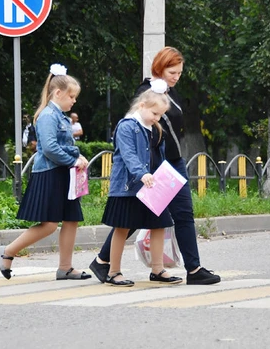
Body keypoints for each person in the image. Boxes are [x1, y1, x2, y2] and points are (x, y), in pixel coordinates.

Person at [89, 47, 221, 285]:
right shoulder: (146, 95)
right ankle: (105, 263)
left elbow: (164, 134)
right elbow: (134, 147)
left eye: (180, 72)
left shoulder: (171, 92)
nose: (176, 76)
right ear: (159, 68)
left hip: (170, 163)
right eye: (172, 71)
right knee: (129, 219)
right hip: (152, 168)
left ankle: (191, 268)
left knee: (175, 215)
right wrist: (144, 171)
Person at [0, 64, 91, 281]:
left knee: (71, 219)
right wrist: (72, 160)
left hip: (63, 173)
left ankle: (65, 268)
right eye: (71, 96)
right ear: (58, 93)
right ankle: (8, 251)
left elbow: (62, 145)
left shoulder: (60, 116)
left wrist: (78, 156)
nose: (74, 101)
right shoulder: (48, 115)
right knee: (49, 225)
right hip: (50, 173)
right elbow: (48, 148)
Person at [99, 85, 181, 286]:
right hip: (128, 187)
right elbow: (128, 155)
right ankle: (113, 272)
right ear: (142, 105)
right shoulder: (127, 126)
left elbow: (159, 156)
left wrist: (164, 177)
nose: (157, 118)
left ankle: (157, 269)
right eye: (155, 113)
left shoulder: (155, 128)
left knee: (159, 225)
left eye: (161, 115)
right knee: (122, 228)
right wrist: (141, 173)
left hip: (152, 186)